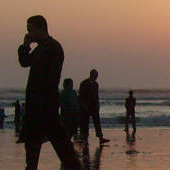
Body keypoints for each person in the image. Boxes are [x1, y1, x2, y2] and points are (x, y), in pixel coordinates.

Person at [16, 15, 80, 169]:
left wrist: (45, 101)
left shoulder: (53, 47)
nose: (29, 34)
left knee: (61, 145)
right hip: (35, 106)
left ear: (40, 29)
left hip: (45, 105)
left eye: (31, 30)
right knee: (33, 146)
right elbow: (24, 62)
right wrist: (25, 45)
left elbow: (49, 79)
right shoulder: (41, 48)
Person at [78, 69, 109, 143]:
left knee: (97, 122)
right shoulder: (84, 83)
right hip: (86, 106)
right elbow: (81, 96)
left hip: (94, 106)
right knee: (85, 123)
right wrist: (83, 105)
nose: (96, 77)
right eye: (95, 75)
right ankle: (85, 139)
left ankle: (100, 138)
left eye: (97, 75)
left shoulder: (96, 84)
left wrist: (97, 105)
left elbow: (96, 95)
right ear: (92, 75)